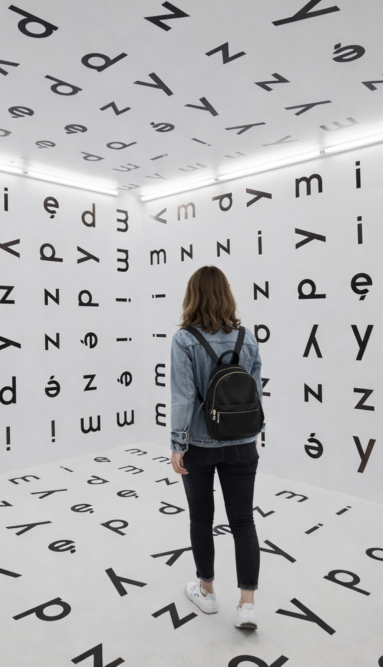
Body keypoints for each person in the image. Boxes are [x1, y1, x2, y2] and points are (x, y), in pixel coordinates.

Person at [169, 266, 263, 630]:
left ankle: (207, 592)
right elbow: (254, 389)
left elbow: (181, 397)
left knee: (201, 519)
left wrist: (178, 443)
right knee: (243, 521)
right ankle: (248, 604)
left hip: (200, 442)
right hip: (242, 441)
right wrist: (255, 432)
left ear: (193, 295)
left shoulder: (184, 340)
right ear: (226, 294)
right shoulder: (247, 337)